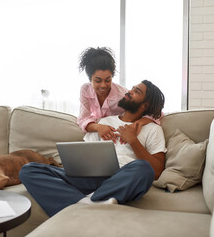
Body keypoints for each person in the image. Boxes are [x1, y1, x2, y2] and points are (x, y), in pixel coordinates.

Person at [20, 80, 166, 217]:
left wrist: (133, 140)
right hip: (88, 177)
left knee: (143, 168)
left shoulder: (153, 129)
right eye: (132, 88)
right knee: (29, 170)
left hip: (121, 180)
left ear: (145, 105)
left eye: (136, 91)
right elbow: (84, 152)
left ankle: (80, 204)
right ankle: (89, 203)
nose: (129, 91)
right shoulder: (105, 122)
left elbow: (157, 171)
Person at [77, 47, 162, 143]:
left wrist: (139, 123)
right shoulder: (85, 90)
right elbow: (83, 118)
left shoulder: (123, 96)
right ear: (90, 79)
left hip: (117, 133)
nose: (103, 85)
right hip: (100, 131)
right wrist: (98, 127)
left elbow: (156, 112)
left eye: (108, 80)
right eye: (98, 81)